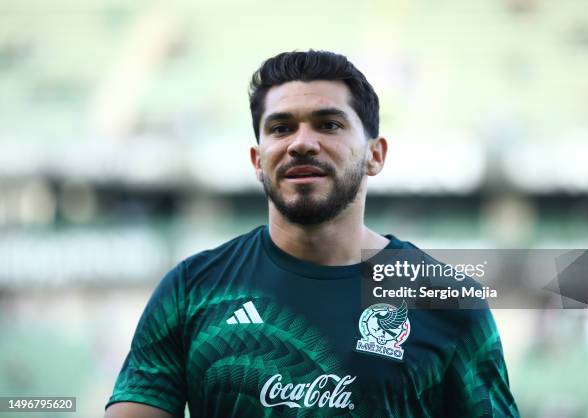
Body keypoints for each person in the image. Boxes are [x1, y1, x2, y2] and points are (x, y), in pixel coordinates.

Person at [104, 50, 519, 417]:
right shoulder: (192, 289)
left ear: (376, 154)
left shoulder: (447, 303)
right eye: (281, 128)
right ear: (257, 160)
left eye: (329, 125)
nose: (302, 143)